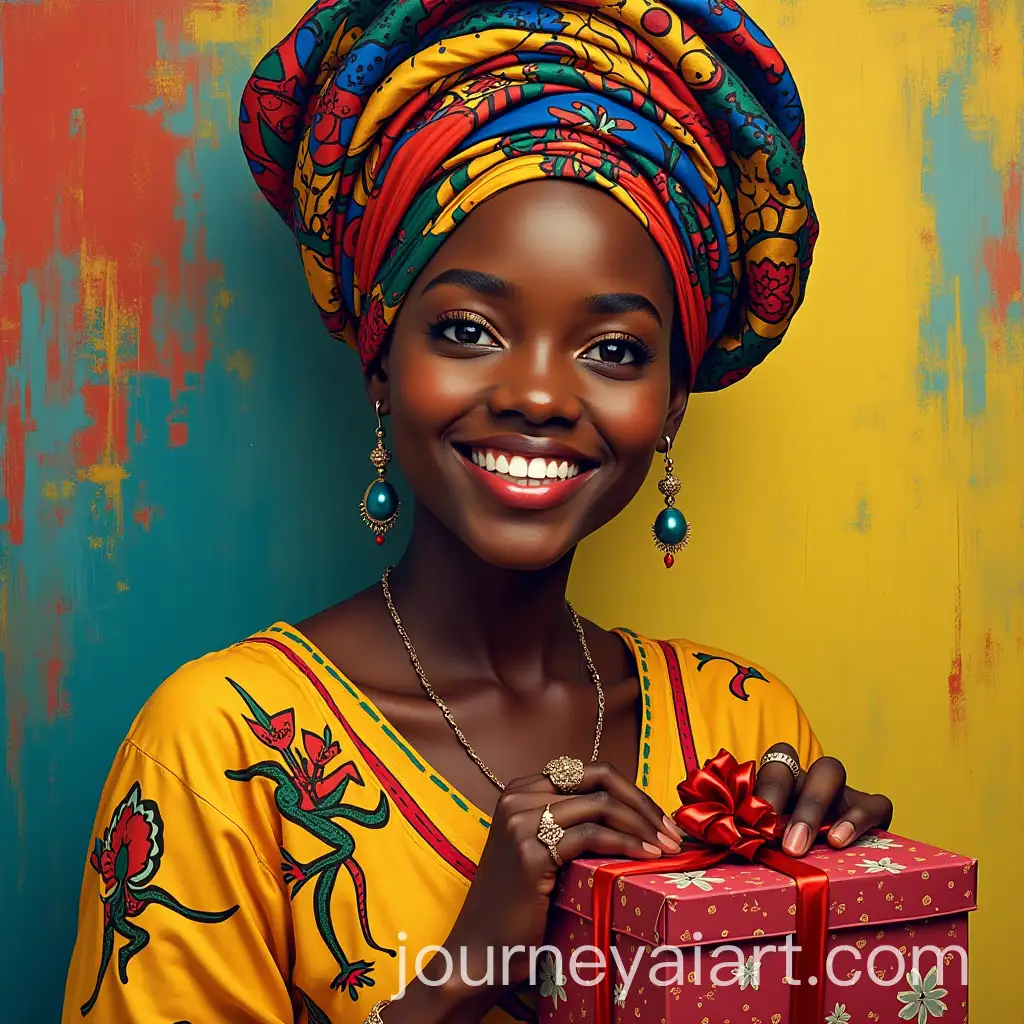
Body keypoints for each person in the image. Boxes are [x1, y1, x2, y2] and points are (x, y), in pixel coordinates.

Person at [61, 1, 894, 1022]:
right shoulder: (222, 750)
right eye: (467, 329)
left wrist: (850, 913)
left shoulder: (743, 727)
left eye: (613, 350)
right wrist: (464, 971)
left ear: (672, 400)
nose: (538, 395)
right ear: (380, 360)